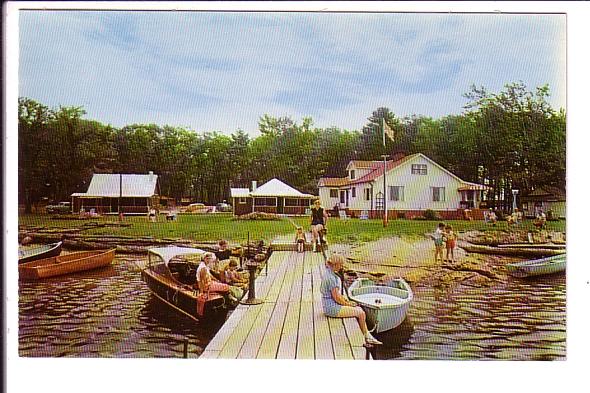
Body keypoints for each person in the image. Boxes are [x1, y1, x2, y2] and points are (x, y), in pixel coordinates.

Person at [321, 253, 382, 345]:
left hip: (328, 304)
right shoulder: (331, 278)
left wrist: (346, 301)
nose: (341, 267)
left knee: (358, 308)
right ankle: (367, 336)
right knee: (361, 313)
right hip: (332, 308)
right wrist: (348, 304)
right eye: (340, 265)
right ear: (335, 265)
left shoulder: (329, 273)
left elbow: (337, 295)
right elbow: (336, 298)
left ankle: (367, 334)